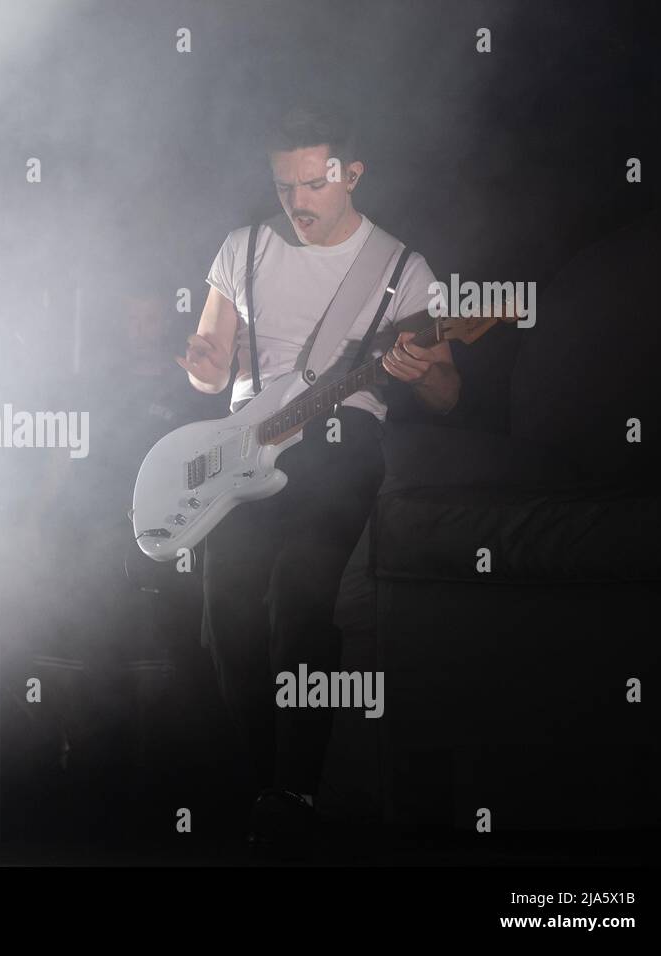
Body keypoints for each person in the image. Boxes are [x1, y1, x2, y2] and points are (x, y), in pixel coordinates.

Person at [175, 103, 460, 853]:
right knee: (224, 609)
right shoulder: (242, 248)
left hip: (342, 439)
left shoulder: (403, 269)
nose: (297, 202)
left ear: (351, 175)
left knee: (300, 590)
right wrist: (205, 372)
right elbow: (210, 370)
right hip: (241, 445)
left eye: (313, 184)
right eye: (284, 186)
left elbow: (447, 391)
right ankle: (259, 785)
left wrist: (424, 369)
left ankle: (293, 793)